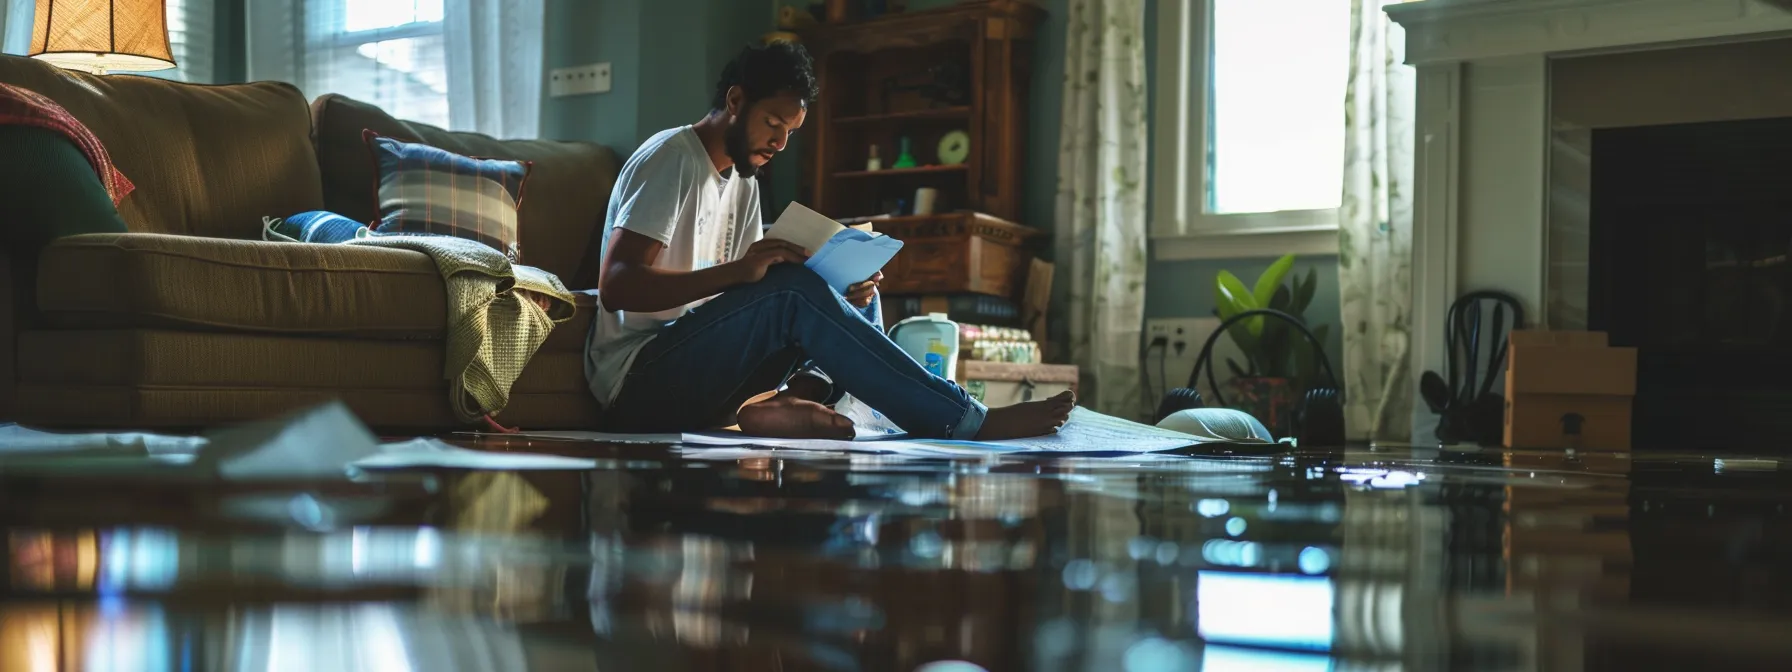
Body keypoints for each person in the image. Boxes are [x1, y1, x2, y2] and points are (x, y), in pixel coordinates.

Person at [583, 41, 1072, 440]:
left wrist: (835, 284)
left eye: (791, 131)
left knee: (855, 289)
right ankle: (963, 418)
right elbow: (617, 286)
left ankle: (794, 398)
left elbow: (737, 302)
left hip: (702, 367)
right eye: (772, 123)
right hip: (640, 381)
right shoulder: (672, 159)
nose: (780, 143)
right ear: (735, 102)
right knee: (792, 292)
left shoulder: (744, 183)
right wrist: (743, 273)